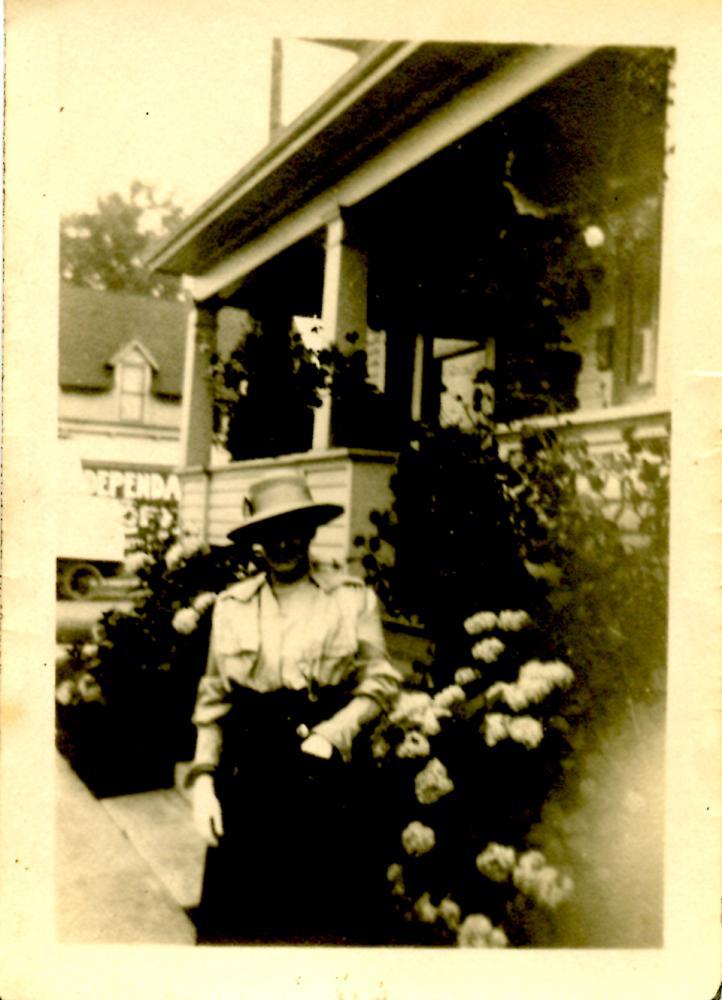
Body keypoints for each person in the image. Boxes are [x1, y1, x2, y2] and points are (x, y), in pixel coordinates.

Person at [187, 472, 403, 945]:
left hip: (325, 780)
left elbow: (381, 680)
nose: (283, 543)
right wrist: (203, 782)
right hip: (249, 784)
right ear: (256, 542)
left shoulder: (350, 600)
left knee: (324, 927)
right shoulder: (231, 606)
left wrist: (336, 732)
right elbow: (214, 701)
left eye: (293, 530)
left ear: (310, 531)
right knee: (241, 931)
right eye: (269, 534)